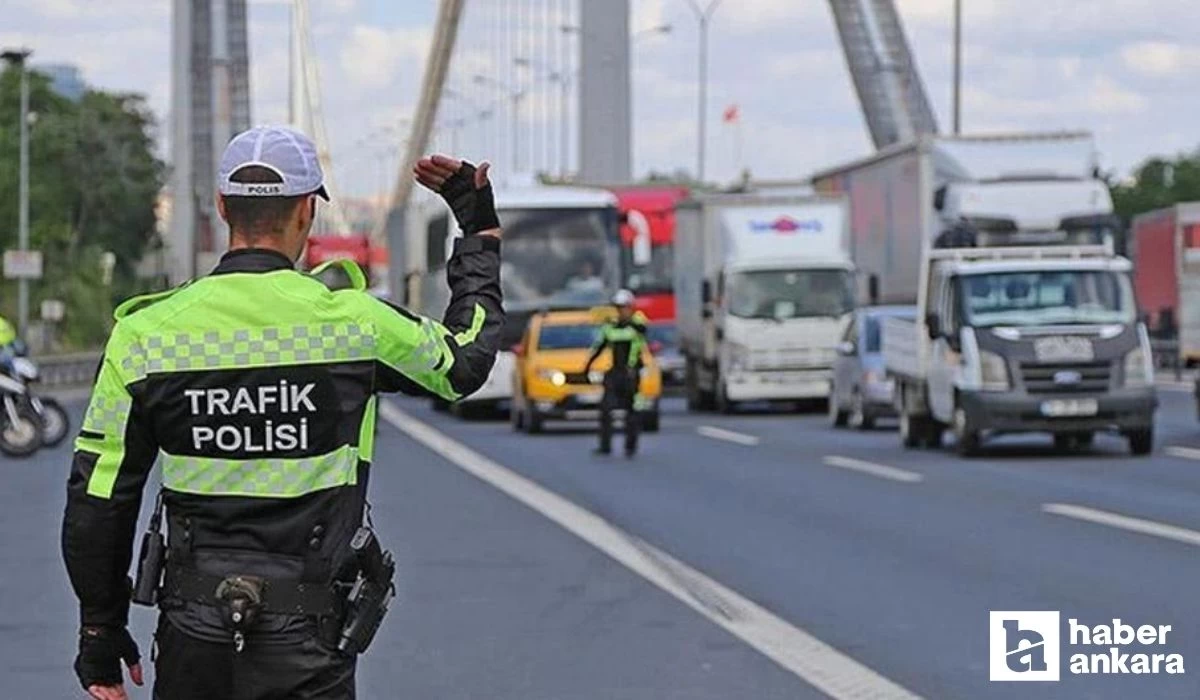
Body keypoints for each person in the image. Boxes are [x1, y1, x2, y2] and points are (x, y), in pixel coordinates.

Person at [61, 125, 504, 700]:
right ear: (306, 213)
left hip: (194, 634)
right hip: (310, 638)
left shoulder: (144, 336)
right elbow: (463, 362)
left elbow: (97, 499)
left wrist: (100, 630)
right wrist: (478, 234)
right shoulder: (355, 326)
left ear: (223, 208)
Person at [583, 289, 650, 457]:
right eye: (619, 307)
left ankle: (630, 446)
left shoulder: (637, 324)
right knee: (606, 409)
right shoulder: (610, 327)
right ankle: (605, 445)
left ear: (631, 307)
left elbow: (643, 330)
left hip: (631, 373)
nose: (621, 311)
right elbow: (599, 348)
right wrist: (587, 367)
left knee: (632, 412)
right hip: (615, 373)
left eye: (624, 307)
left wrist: (630, 322)